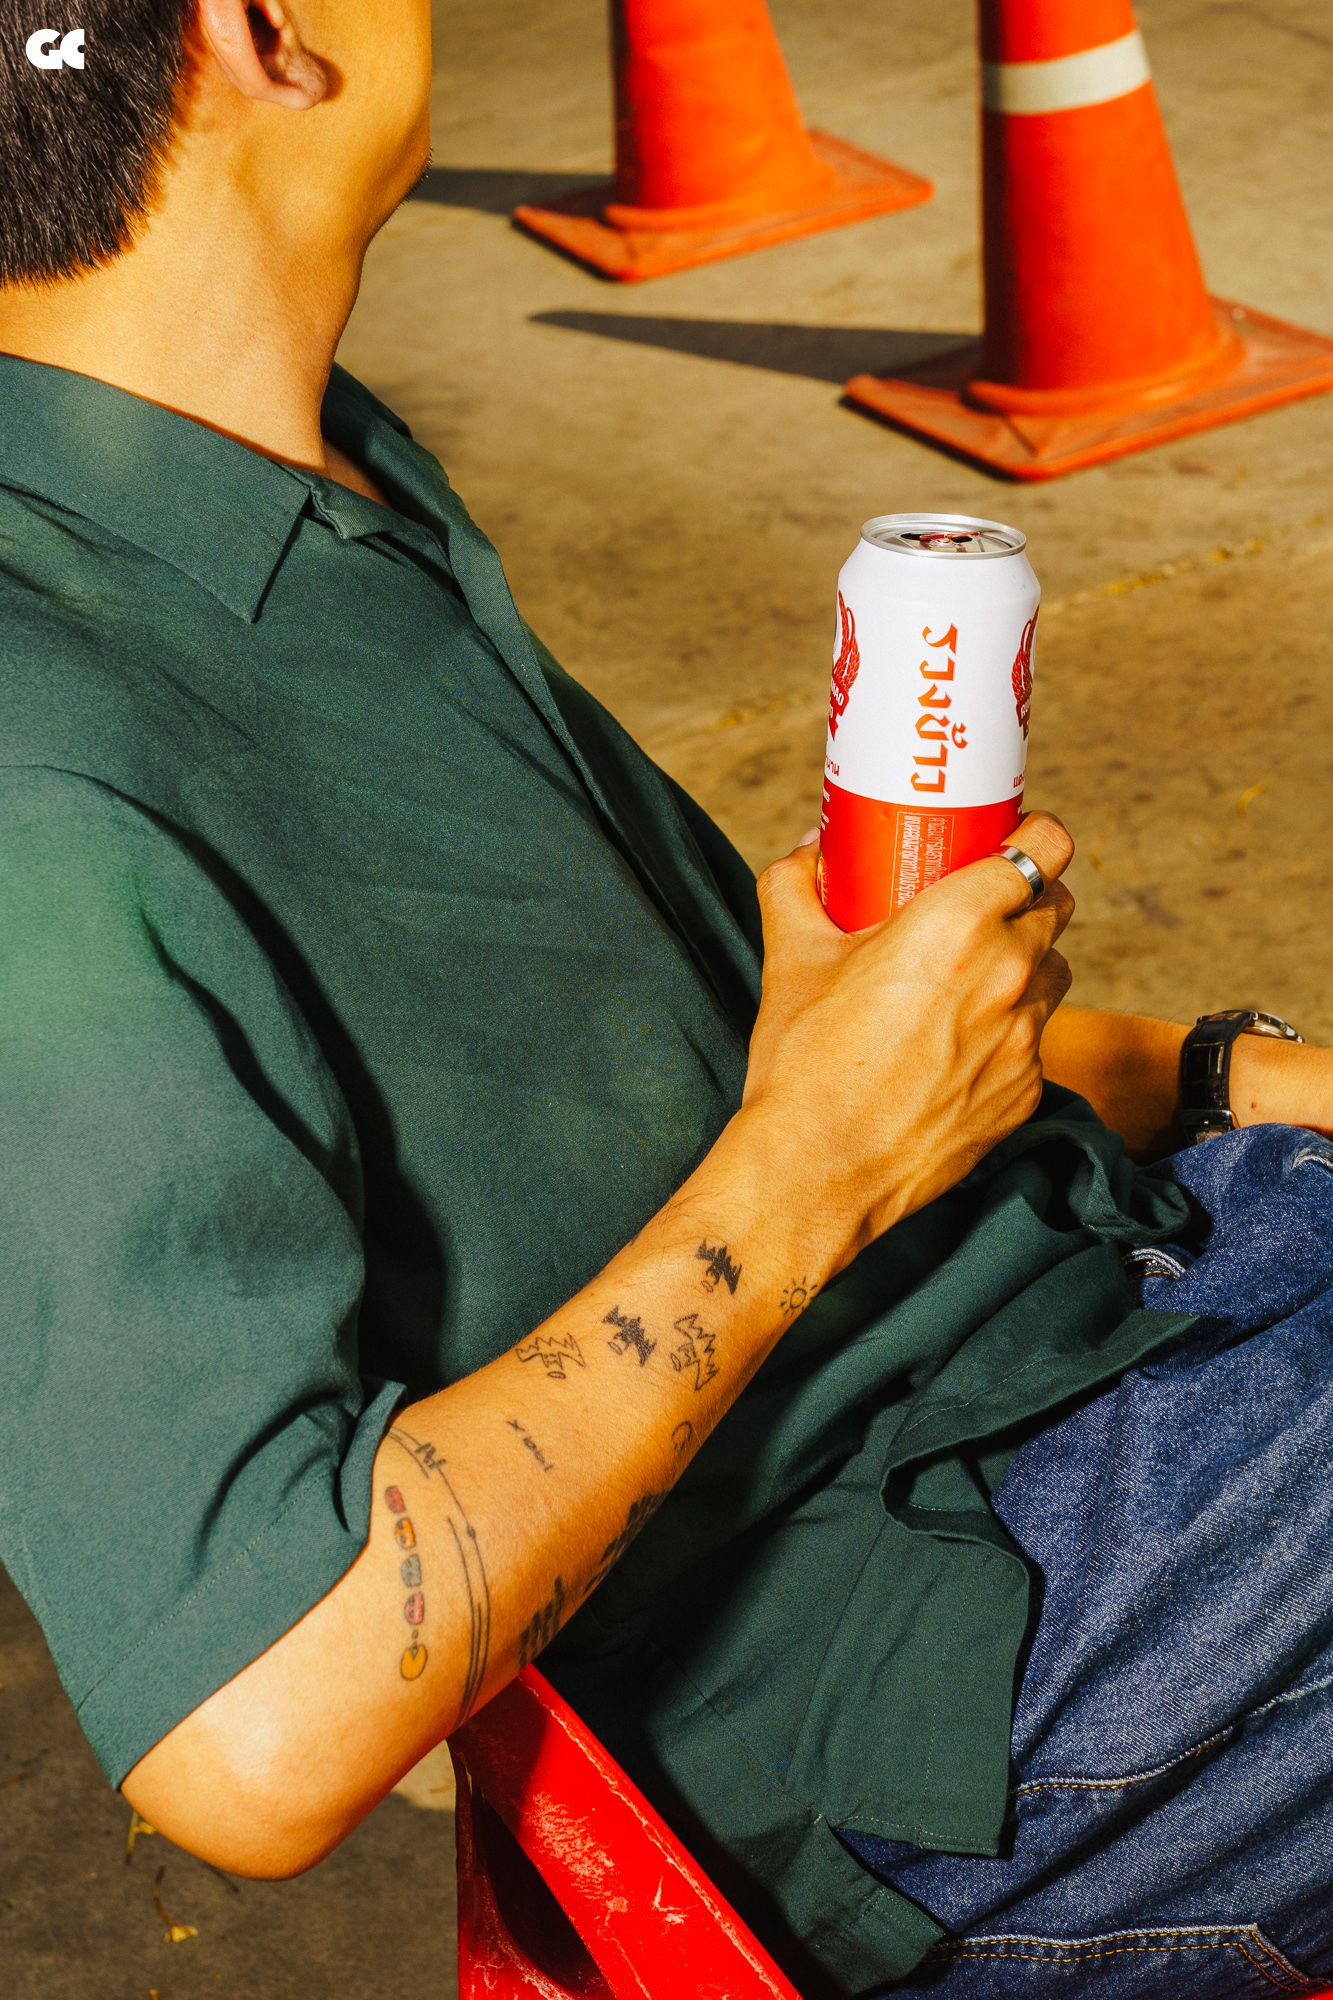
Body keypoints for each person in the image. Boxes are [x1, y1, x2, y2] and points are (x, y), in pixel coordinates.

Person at [1, 5, 1330, 1993]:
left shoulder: (287, 477)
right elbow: (253, 1737)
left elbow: (766, 1057)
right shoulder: (40, 776)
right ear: (259, 30)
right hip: (960, 1668)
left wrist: (1233, 1073)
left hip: (1059, 1327)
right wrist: (815, 1163)